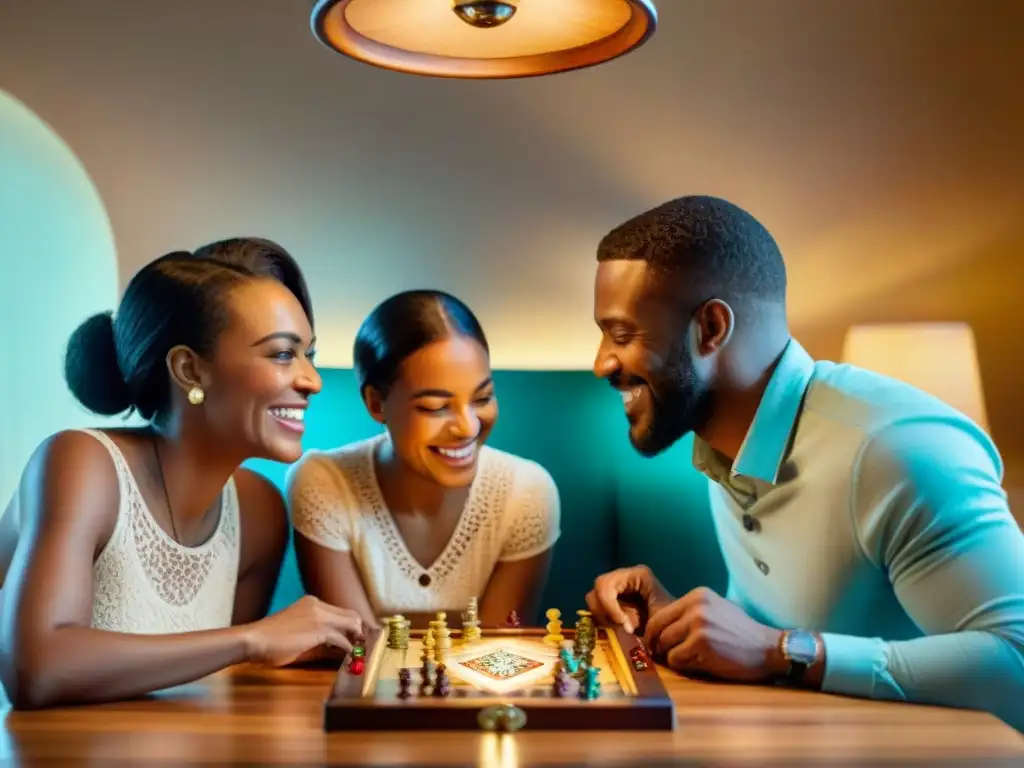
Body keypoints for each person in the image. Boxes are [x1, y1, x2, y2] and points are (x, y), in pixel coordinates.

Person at [584, 195, 1024, 731]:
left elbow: (1017, 661)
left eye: (622, 334)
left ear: (711, 329)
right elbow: (766, 642)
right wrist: (678, 625)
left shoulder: (897, 450)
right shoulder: (722, 445)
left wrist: (783, 650)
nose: (601, 361)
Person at [0, 238, 364, 709]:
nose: (311, 381)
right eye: (281, 354)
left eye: (308, 356)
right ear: (190, 369)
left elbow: (210, 688)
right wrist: (252, 639)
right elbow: (37, 670)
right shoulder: (79, 464)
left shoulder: (258, 512)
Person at [287, 289, 560, 629]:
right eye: (435, 407)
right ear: (375, 404)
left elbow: (496, 652)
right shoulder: (324, 482)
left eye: (483, 397)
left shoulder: (526, 490)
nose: (468, 427)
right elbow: (357, 650)